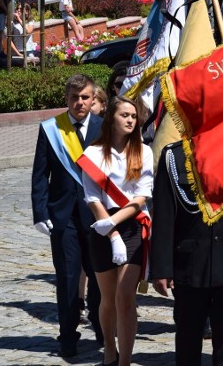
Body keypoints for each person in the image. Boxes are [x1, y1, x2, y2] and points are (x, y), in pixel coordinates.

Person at [30, 74, 103, 357]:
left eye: (85, 97)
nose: (80, 102)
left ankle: (101, 327)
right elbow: (40, 174)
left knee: (100, 278)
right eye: (74, 97)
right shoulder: (51, 129)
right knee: (68, 278)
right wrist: (40, 212)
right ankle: (68, 336)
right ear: (67, 100)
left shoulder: (102, 126)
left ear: (93, 99)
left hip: (98, 217)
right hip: (63, 217)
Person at [150, 141, 223, 366]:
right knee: (188, 339)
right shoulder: (174, 156)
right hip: (190, 264)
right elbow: (164, 213)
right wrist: (161, 268)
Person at [81, 96, 154, 366]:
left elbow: (141, 198)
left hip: (132, 227)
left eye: (134, 116)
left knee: (126, 298)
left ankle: (124, 360)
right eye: (124, 115)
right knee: (108, 298)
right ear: (111, 117)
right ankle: (109, 352)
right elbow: (93, 198)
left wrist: (115, 226)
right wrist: (110, 233)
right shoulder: (93, 154)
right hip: (102, 228)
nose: (130, 120)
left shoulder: (144, 152)